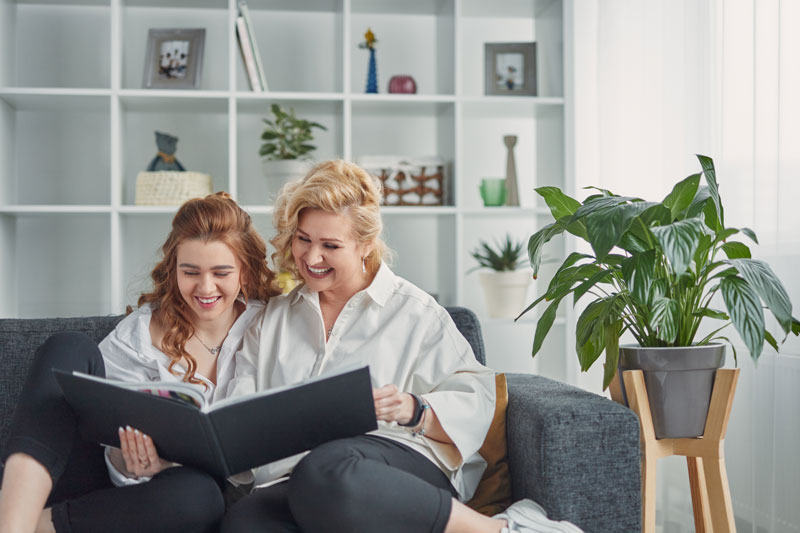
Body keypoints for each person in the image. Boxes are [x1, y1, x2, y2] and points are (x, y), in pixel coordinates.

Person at [220, 160, 563, 533]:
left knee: (325, 469)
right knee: (245, 522)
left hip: (394, 467)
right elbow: (241, 410)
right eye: (303, 239)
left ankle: (501, 530)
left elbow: (476, 398)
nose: (311, 257)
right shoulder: (272, 319)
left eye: (330, 245)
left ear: (366, 244)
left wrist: (414, 409)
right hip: (295, 479)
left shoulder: (415, 312)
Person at [0, 192, 281, 533]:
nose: (205, 287)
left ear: (245, 272)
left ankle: (38, 525)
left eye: (221, 272)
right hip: (97, 482)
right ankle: (12, 521)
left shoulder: (271, 326)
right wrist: (124, 460)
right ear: (173, 269)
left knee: (200, 497)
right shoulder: (141, 329)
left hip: (173, 500)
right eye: (190, 271)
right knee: (68, 346)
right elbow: (96, 421)